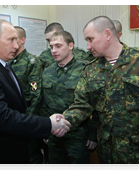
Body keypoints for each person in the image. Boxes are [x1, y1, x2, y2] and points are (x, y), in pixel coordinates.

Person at [62, 16, 139, 169]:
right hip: (109, 155)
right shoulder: (90, 70)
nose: (88, 46)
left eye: (90, 39)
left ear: (108, 34)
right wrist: (61, 121)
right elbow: (81, 106)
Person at [0, 19, 71, 170]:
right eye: (11, 40)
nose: (16, 46)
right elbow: (2, 117)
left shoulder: (2, 65)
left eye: (16, 40)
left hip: (13, 148)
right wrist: (48, 124)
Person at [41, 31, 97, 170]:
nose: (54, 50)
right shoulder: (47, 71)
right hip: (54, 135)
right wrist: (45, 129)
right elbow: (44, 104)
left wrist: (93, 134)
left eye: (58, 46)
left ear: (70, 45)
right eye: (51, 46)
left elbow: (94, 104)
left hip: (78, 135)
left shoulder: (85, 69)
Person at [8, 26, 44, 170]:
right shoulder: (10, 61)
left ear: (22, 40)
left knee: (32, 154)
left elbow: (36, 94)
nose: (12, 42)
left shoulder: (31, 62)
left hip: (27, 114)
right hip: (13, 115)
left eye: (14, 38)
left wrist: (29, 120)